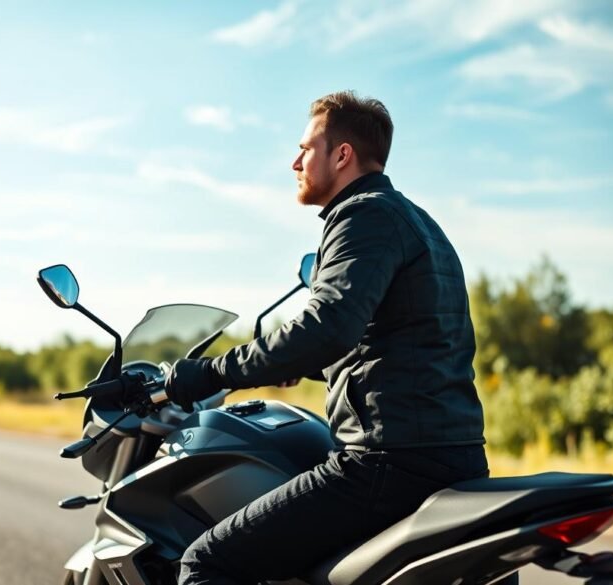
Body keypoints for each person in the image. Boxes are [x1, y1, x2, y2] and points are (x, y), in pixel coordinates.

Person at [164, 91, 489, 585]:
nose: (294, 161)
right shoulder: (418, 221)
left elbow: (327, 326)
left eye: (305, 148)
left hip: (389, 464)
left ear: (342, 155)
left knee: (206, 562)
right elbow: (405, 340)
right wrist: (306, 363)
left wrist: (208, 372)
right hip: (456, 457)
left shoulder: (364, 215)